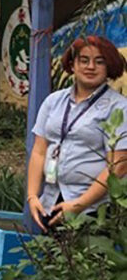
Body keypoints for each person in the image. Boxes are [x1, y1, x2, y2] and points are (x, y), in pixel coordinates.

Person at [27, 35, 127, 233]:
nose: (91, 67)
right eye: (84, 60)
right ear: (72, 65)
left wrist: (79, 205)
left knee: (86, 263)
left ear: (109, 67)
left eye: (100, 62)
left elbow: (119, 164)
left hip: (94, 209)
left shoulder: (119, 108)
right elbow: (39, 150)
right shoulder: (53, 102)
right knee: (50, 261)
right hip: (51, 202)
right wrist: (32, 196)